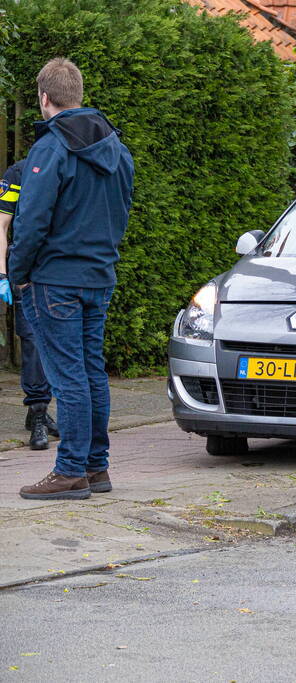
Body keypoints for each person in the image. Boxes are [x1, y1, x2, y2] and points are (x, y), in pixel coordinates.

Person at [12, 58, 134, 500]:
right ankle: (96, 467)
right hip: (99, 276)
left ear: (45, 98)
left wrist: (18, 274)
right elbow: (120, 211)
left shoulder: (52, 147)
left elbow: (31, 220)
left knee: (67, 378)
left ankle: (70, 472)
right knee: (91, 372)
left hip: (55, 279)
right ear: (77, 93)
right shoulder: (117, 149)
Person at [0, 158, 60, 450]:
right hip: (28, 269)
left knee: (56, 341)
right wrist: (2, 272)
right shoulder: (19, 174)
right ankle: (37, 411)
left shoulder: (71, 168)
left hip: (63, 267)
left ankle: (39, 409)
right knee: (34, 341)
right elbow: (1, 224)